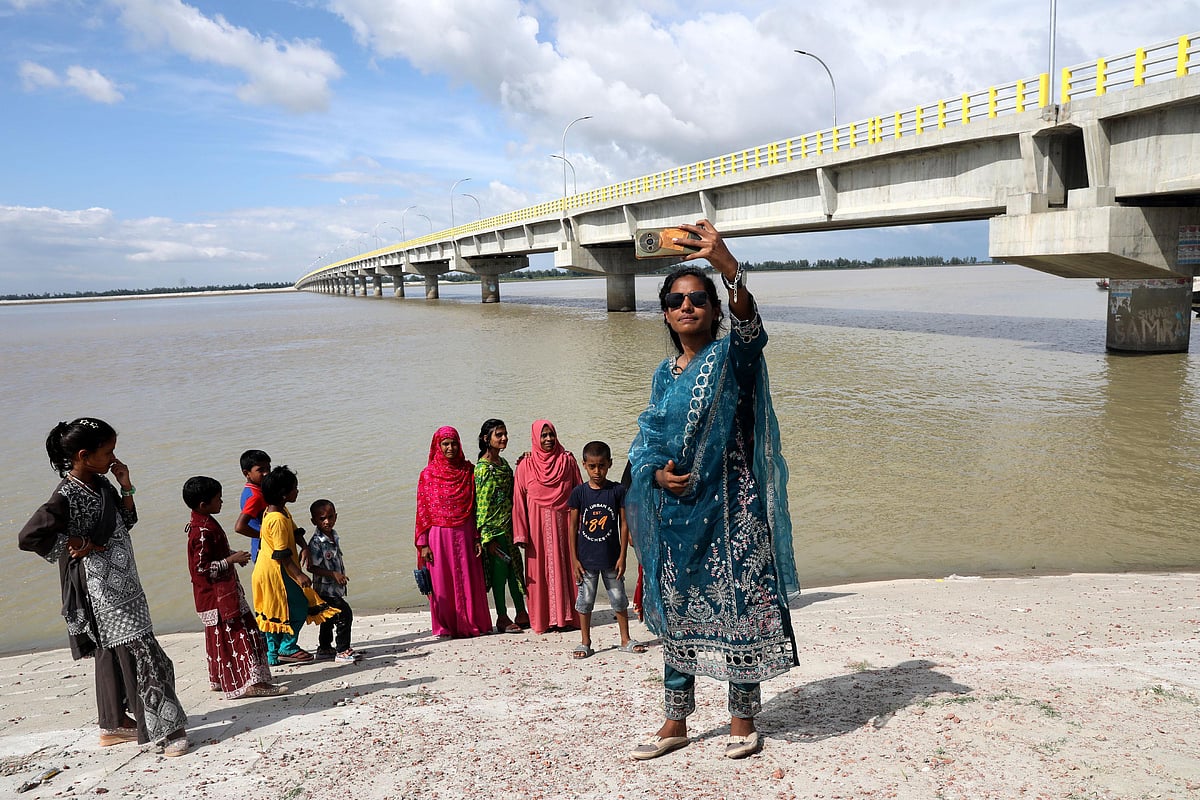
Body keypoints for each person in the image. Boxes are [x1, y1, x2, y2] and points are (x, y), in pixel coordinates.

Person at [626, 220, 800, 761]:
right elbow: (648, 440)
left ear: (714, 307)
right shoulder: (663, 374)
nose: (687, 307)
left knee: (739, 608)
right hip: (677, 513)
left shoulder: (731, 358)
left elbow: (752, 331)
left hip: (731, 510)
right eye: (676, 300)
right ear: (665, 312)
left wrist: (729, 270)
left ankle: (741, 719)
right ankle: (674, 723)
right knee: (677, 612)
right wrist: (654, 477)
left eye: (698, 298)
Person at [19, 418, 190, 756]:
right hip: (101, 589)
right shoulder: (65, 495)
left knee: (117, 653)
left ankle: (114, 725)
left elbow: (126, 522)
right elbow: (29, 537)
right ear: (83, 455)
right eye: (108, 451)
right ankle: (165, 731)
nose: (114, 457)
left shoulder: (100, 483)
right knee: (145, 654)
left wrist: (125, 485)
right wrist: (75, 540)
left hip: (126, 580)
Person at [182, 476, 285, 698]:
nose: (221, 502)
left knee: (221, 637)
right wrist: (230, 560)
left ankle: (223, 678)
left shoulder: (204, 522)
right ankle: (252, 683)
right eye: (218, 499)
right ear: (203, 504)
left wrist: (231, 555)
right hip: (218, 596)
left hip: (220, 592)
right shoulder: (201, 531)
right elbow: (201, 569)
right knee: (242, 633)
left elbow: (211, 557)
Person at [250, 466, 338, 665]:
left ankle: (272, 654)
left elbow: (296, 530)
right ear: (284, 494)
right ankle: (287, 647)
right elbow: (282, 555)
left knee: (273, 611)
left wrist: (305, 547)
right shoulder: (278, 519)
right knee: (298, 608)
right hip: (277, 572)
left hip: (266, 570)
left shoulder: (276, 510)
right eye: (294, 488)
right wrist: (299, 575)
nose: (297, 491)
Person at [566, 440, 646, 658]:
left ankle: (625, 639)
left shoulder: (617, 491)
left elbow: (624, 524)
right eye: (592, 466)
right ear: (584, 465)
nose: (597, 471)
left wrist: (623, 556)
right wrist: (574, 560)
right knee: (585, 601)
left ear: (610, 464)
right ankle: (585, 641)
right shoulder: (579, 494)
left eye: (601, 465)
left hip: (611, 558)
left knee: (619, 599)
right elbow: (572, 527)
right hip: (586, 560)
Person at [414, 426, 492, 638]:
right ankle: (446, 626)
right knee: (442, 583)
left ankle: (473, 623)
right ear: (437, 447)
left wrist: (477, 537)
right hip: (438, 536)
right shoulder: (428, 475)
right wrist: (423, 544)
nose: (450, 448)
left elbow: (477, 507)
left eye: (454, 443)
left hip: (465, 533)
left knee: (468, 579)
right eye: (445, 444)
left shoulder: (468, 471)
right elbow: (422, 512)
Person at [512, 419, 582, 634]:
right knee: (539, 573)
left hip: (564, 527)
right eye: (543, 435)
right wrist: (521, 534)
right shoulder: (526, 465)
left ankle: (569, 618)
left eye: (551, 434)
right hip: (537, 532)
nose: (548, 439)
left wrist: (582, 528)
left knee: (567, 568)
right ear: (535, 438)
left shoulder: (567, 461)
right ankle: (544, 620)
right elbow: (518, 501)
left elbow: (579, 494)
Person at [474, 418, 528, 633]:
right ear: (486, 439)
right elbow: (482, 505)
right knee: (499, 577)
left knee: (515, 571)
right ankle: (502, 617)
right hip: (494, 533)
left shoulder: (503, 464)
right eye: (499, 435)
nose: (504, 438)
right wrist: (486, 539)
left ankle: (522, 612)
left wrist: (525, 463)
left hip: (509, 528)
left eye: (505, 434)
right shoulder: (483, 470)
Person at [306, 499, 362, 663]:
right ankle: (343, 650)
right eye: (322, 518)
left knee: (328, 618)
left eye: (330, 517)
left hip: (334, 588)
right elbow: (311, 568)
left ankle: (324, 648)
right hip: (325, 589)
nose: (327, 521)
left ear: (335, 516)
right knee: (344, 614)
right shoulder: (316, 543)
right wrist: (333, 574)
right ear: (313, 521)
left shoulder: (333, 535)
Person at [233, 449, 270, 563]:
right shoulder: (255, 496)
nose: (266, 473)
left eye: (268, 468)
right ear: (246, 473)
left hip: (262, 548)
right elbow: (240, 527)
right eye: (260, 470)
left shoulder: (255, 490)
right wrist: (264, 536)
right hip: (264, 551)